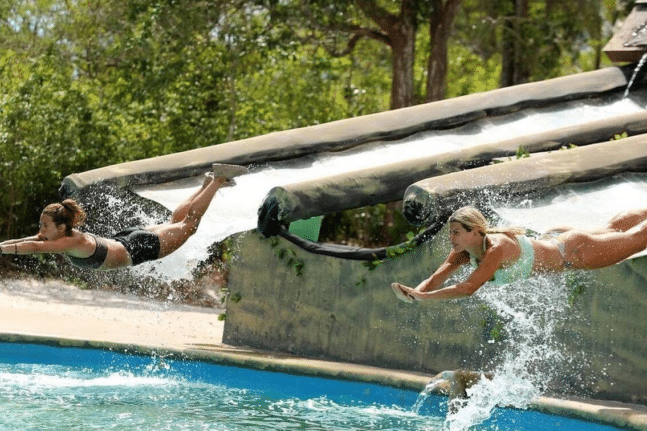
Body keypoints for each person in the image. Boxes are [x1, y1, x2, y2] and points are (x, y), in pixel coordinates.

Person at [0, 164, 248, 270]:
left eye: (44, 225)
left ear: (62, 226)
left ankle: (218, 180)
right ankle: (206, 184)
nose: (40, 230)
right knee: (176, 221)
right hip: (128, 241)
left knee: (189, 224)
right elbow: (30, 240)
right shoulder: (61, 235)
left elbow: (31, 246)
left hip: (137, 247)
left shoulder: (70, 241)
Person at [391, 206, 647, 302]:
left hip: (576, 253)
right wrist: (414, 292)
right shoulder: (464, 252)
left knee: (636, 239)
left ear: (475, 232)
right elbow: (436, 278)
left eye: (456, 232)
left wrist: (427, 298)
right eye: (452, 232)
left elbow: (469, 287)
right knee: (614, 230)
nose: (451, 238)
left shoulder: (496, 248)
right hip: (560, 241)